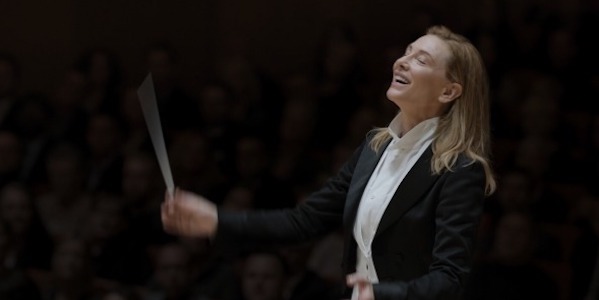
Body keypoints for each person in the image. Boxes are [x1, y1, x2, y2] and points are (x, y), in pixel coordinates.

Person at [161, 25, 496, 300]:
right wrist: (217, 220)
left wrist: (383, 294)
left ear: (449, 92)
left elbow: (449, 277)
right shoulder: (374, 148)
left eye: (420, 60)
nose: (402, 62)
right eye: (406, 52)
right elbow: (303, 221)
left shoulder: (461, 168)